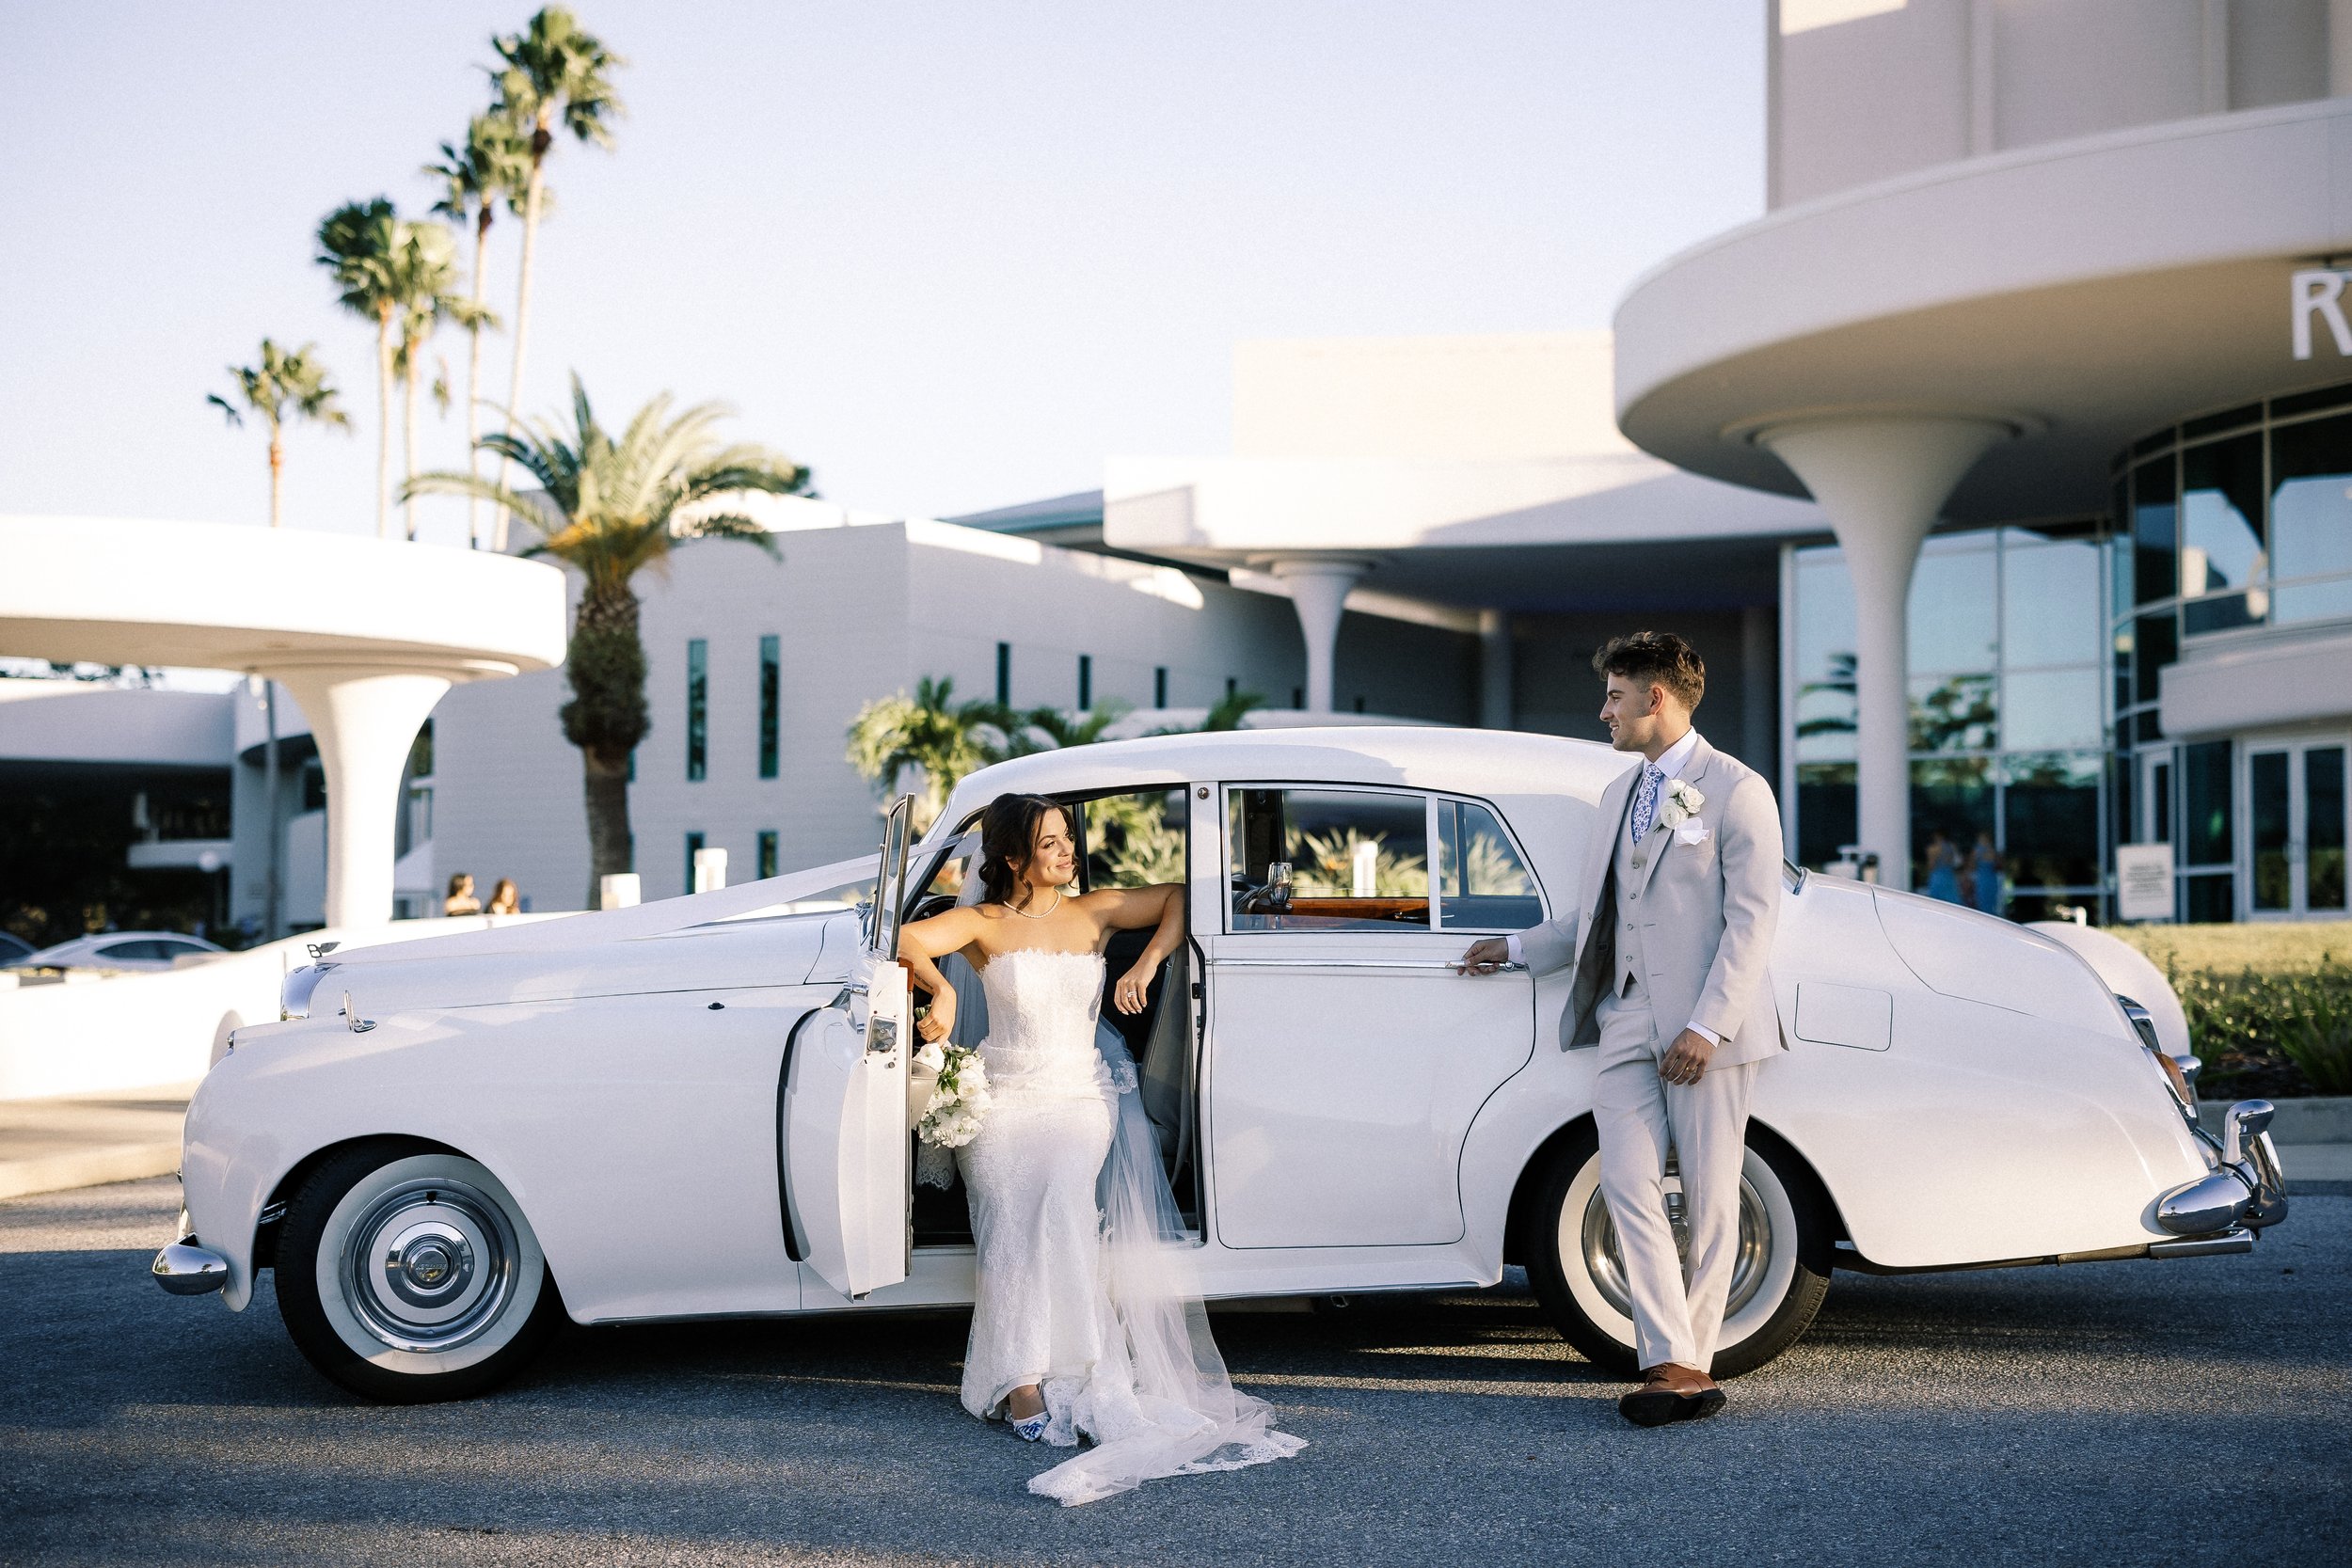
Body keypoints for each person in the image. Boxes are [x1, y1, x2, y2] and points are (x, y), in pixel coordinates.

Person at [898, 794, 1304, 1504]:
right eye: (1049, 843)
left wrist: (1145, 963)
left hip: (1078, 1099)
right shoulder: (984, 923)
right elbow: (907, 939)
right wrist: (942, 992)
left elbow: (1179, 895)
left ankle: (1080, 1366)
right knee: (1006, 1231)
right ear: (1014, 858)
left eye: (1066, 839)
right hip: (1002, 1099)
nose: (1066, 852)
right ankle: (1021, 1382)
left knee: (1061, 1211)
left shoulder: (1095, 911)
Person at [1457, 630, 1784, 1427]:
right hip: (1623, 1015)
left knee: (1709, 1201)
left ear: (1656, 698)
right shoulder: (1618, 795)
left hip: (1708, 1026)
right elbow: (1599, 916)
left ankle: (1682, 1367)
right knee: (1626, 1183)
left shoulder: (1738, 790)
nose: (1603, 710)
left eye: (1614, 695)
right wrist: (1513, 948)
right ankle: (1676, 1360)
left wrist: (1707, 1026)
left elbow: (1754, 921)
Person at [1968, 832, 2003, 914]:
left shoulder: (1991, 851)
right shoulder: (1979, 851)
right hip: (1984, 879)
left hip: (1987, 879)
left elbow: (1999, 867)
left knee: (1989, 901)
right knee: (1982, 901)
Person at [1923, 830, 1963, 903]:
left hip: (1938, 876)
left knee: (1936, 900)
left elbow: (1931, 865)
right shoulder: (1952, 846)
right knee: (1952, 899)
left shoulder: (1933, 849)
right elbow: (1957, 862)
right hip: (1949, 875)